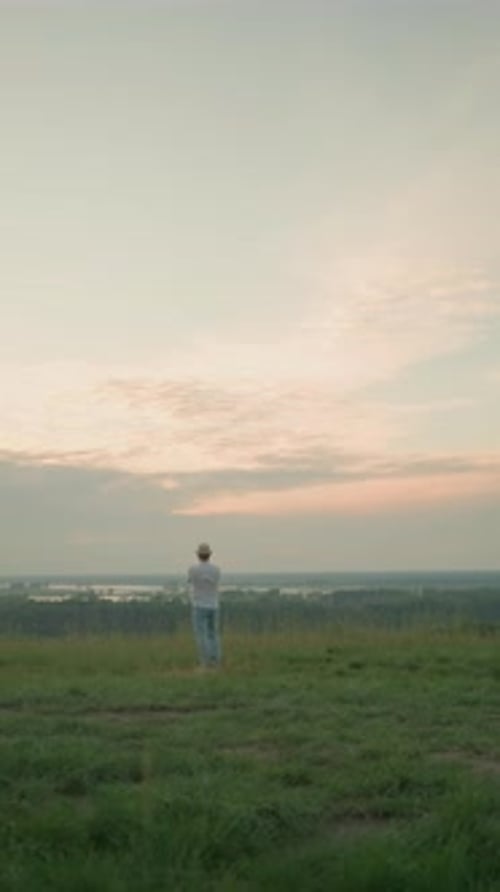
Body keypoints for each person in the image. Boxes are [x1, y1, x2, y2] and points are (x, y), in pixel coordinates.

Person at [187, 543, 222, 668]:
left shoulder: (193, 569)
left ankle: (205, 662)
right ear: (209, 555)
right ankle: (216, 660)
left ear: (198, 555)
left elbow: (191, 581)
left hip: (199, 605)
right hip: (214, 605)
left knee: (201, 634)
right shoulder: (216, 569)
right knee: (213, 634)